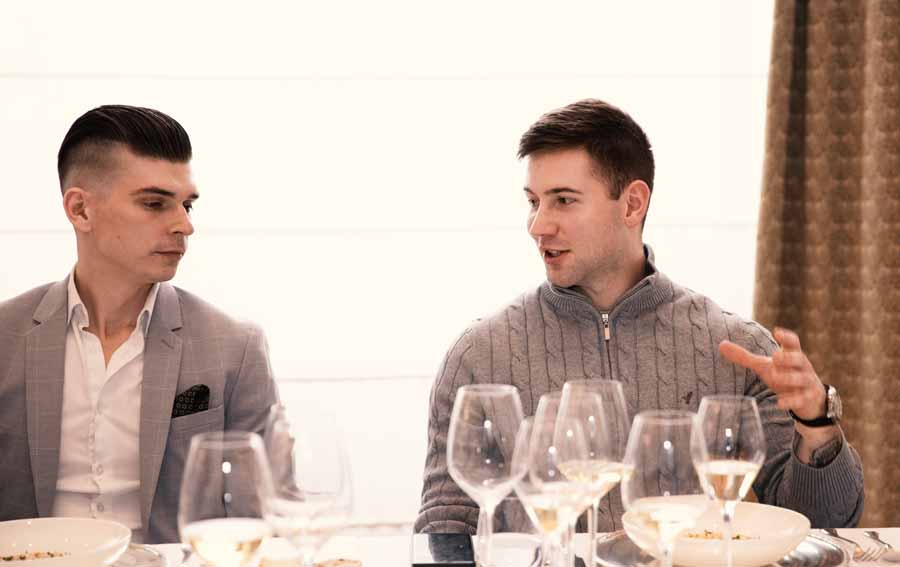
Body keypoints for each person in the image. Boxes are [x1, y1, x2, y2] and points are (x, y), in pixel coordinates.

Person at [415, 99, 864, 533]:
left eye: (563, 200)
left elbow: (822, 523)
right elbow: (444, 527)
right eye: (534, 202)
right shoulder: (480, 355)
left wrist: (817, 423)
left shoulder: (738, 350)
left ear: (632, 204)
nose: (538, 226)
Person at [0, 105, 279, 543]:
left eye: (187, 205)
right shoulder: (5, 337)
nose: (184, 225)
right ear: (80, 210)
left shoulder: (234, 347)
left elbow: (272, 512)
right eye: (154, 204)